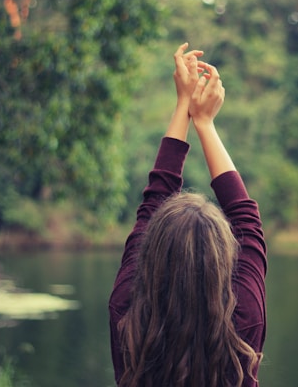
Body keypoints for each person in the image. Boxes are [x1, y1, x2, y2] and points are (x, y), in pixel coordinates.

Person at [109, 43, 267, 387]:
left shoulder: (129, 319)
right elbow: (247, 221)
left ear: (151, 251)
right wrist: (204, 122)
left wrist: (184, 105)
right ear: (225, 256)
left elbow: (154, 201)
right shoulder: (243, 324)